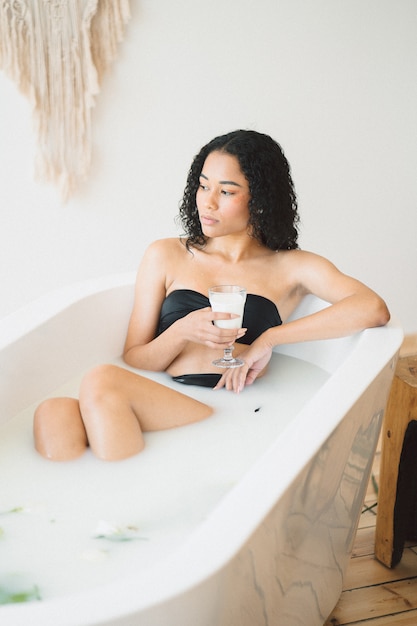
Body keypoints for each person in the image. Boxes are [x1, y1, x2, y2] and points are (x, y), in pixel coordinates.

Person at [33, 130, 390, 462]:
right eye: (203, 187)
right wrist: (181, 331)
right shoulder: (166, 254)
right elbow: (135, 358)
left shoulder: (291, 267)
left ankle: (125, 508)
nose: (208, 202)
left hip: (225, 409)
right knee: (53, 412)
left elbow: (371, 308)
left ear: (261, 199)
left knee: (100, 380)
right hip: (161, 397)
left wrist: (269, 339)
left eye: (227, 191)